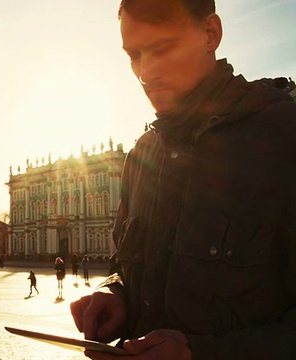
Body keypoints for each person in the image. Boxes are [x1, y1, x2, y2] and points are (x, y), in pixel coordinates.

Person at [69, 1, 296, 359]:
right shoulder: (142, 156)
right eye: (134, 55)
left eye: (163, 48)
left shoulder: (284, 138)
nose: (146, 72)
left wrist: (201, 354)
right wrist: (116, 294)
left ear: (211, 34)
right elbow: (125, 265)